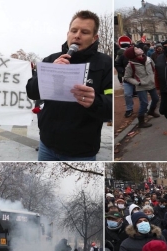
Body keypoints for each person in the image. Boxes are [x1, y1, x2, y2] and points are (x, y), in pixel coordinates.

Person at [26, 10, 112, 161]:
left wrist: (95, 101)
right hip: (47, 145)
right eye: (74, 30)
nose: (77, 35)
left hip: (82, 152)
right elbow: (31, 92)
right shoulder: (51, 59)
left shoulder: (105, 64)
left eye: (84, 32)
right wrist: (49, 73)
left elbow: (111, 108)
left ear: (94, 38)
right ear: (68, 34)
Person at [123, 46, 160, 128]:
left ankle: (151, 111)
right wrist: (137, 83)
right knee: (144, 103)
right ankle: (141, 121)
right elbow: (127, 77)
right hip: (141, 86)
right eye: (136, 49)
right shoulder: (130, 65)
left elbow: (155, 69)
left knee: (156, 99)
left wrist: (156, 79)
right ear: (133, 54)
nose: (139, 49)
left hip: (151, 83)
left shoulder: (149, 59)